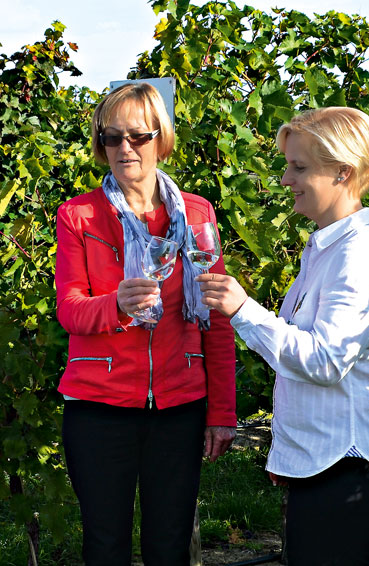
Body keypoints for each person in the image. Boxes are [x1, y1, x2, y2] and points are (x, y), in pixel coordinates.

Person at [198, 106, 369, 565]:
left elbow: (323, 361)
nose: (283, 179)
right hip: (325, 463)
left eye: (299, 167)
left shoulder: (360, 258)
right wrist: (294, 458)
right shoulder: (326, 250)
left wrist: (242, 310)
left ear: (342, 173)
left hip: (350, 467)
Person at [55, 82, 237, 566]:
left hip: (179, 406)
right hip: (99, 407)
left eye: (138, 135)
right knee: (105, 545)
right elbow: (70, 309)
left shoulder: (196, 214)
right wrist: (115, 304)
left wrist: (221, 412)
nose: (124, 148)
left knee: (169, 546)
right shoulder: (79, 215)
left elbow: (215, 319)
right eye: (111, 137)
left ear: (162, 139)